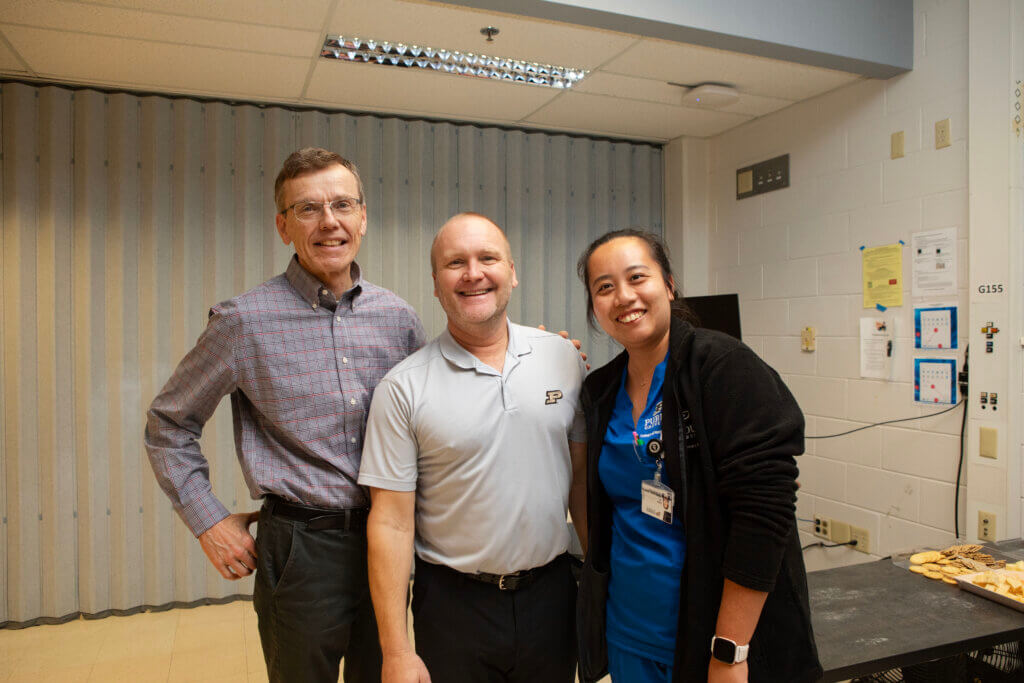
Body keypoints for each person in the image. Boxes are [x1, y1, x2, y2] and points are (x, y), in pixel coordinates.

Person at [144, 148, 425, 683]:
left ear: (363, 217)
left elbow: (431, 418)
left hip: (389, 541)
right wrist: (208, 520)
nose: (329, 222)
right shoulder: (242, 321)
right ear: (282, 226)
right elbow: (168, 426)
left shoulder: (398, 317)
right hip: (301, 550)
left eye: (343, 204)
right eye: (307, 209)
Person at [575, 229, 821, 683]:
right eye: (604, 287)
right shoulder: (600, 390)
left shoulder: (723, 365)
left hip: (709, 634)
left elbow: (763, 516)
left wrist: (730, 652)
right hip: (628, 631)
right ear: (594, 307)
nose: (623, 296)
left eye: (637, 277)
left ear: (668, 285)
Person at [358, 212, 588, 683]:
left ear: (512, 272)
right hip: (453, 606)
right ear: (437, 285)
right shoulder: (403, 388)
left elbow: (582, 482)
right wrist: (396, 650)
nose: (473, 273)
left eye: (488, 258)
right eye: (455, 263)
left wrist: (603, 581)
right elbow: (391, 523)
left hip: (553, 595)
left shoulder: (564, 359)